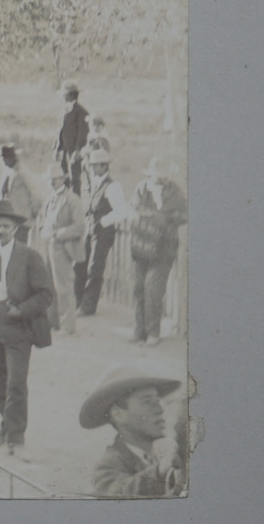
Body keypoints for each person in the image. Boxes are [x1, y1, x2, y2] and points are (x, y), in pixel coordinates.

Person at [0, 199, 55, 455]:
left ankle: (16, 438)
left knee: (16, 383)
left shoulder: (29, 256)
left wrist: (21, 310)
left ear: (15, 228)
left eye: (5, 226)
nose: (1, 231)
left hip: (18, 326)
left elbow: (46, 294)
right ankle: (5, 428)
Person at [81, 366, 186, 496]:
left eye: (158, 401)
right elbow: (120, 493)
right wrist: (160, 471)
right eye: (147, 402)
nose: (160, 409)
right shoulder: (108, 465)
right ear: (119, 415)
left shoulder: (165, 452)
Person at [128, 159, 188, 346]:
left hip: (164, 247)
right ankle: (139, 331)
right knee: (139, 287)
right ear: (150, 173)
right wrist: (151, 216)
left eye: (162, 175)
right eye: (155, 174)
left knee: (153, 288)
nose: (159, 178)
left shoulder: (175, 191)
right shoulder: (141, 188)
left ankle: (153, 332)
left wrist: (166, 218)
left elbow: (184, 215)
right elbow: (134, 208)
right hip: (143, 245)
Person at [79, 148, 128, 317]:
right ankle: (78, 301)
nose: (91, 168)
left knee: (95, 268)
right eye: (91, 165)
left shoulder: (112, 186)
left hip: (103, 233)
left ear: (103, 166)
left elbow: (122, 211)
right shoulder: (94, 183)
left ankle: (88, 306)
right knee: (81, 263)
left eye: (94, 165)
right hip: (91, 230)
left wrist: (103, 222)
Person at [36, 167, 87, 333]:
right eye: (50, 179)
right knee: (49, 286)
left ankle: (68, 326)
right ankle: (53, 322)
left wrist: (60, 233)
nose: (52, 182)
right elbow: (43, 220)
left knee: (63, 287)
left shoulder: (72, 199)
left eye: (56, 179)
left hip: (63, 246)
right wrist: (44, 229)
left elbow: (80, 226)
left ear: (63, 179)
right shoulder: (49, 199)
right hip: (48, 244)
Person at [0, 143, 43, 244]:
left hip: (22, 220)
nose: (4, 162)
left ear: (11, 158)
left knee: (18, 251)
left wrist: (33, 212)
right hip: (14, 220)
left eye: (5, 159)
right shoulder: (12, 173)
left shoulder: (22, 172)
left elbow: (36, 193)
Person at [56, 83, 91, 193]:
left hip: (74, 151)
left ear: (71, 95)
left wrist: (78, 150)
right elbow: (61, 131)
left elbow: (83, 132)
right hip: (65, 151)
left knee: (75, 178)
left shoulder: (81, 112)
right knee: (63, 177)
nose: (63, 97)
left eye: (65, 95)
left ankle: (76, 201)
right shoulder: (65, 110)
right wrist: (58, 148)